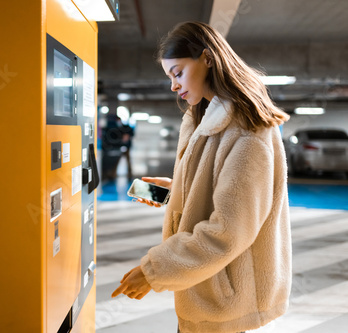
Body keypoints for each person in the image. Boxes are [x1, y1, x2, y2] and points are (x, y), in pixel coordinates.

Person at [111, 21, 292, 333]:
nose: (173, 85)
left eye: (178, 72)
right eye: (170, 76)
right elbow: (218, 196)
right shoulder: (203, 119)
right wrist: (174, 192)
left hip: (225, 301)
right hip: (208, 293)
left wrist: (154, 270)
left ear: (208, 58)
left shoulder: (247, 132)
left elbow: (228, 231)